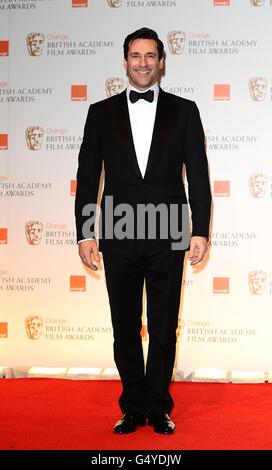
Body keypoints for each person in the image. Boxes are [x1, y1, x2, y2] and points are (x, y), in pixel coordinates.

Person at [75, 27, 211, 434]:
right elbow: (87, 177)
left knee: (165, 323)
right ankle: (132, 406)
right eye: (136, 56)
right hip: (118, 232)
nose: (143, 63)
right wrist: (85, 233)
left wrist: (200, 229)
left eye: (151, 56)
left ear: (161, 62)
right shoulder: (100, 113)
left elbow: (198, 177)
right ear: (125, 61)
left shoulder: (185, 111)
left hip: (169, 230)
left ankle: (158, 407)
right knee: (125, 325)